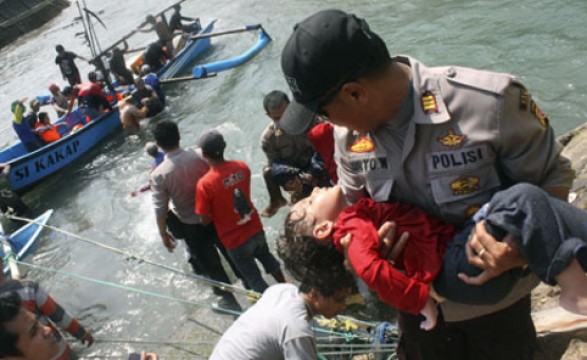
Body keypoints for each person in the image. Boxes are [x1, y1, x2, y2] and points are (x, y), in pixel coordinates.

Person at [279, 10, 575, 360]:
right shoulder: (347, 139)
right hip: (416, 311)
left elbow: (553, 178)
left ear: (355, 94)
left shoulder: (488, 103)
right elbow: (356, 213)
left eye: (324, 113)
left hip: (498, 309)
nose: (328, 124)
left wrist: (517, 247)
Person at [284, 183, 587, 331]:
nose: (314, 189)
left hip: (459, 258)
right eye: (311, 201)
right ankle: (575, 290)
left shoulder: (354, 221)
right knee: (524, 197)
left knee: (545, 206)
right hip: (455, 268)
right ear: (324, 229)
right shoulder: (351, 229)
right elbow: (371, 272)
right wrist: (419, 299)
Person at [150, 121, 244, 311]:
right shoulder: (201, 155)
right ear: (179, 136)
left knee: (212, 266)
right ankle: (252, 286)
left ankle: (230, 302)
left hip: (191, 225)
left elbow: (160, 208)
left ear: (158, 144)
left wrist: (163, 234)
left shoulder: (159, 174)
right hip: (216, 217)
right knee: (233, 253)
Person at [195, 130, 287, 294]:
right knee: (267, 258)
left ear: (203, 154)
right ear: (224, 146)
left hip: (234, 240)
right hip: (255, 228)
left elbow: (204, 219)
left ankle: (269, 305)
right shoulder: (241, 167)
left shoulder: (205, 184)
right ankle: (287, 287)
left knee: (254, 278)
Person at [210, 280, 353, 360]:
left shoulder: (282, 289)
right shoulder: (296, 330)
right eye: (339, 300)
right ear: (314, 293)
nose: (343, 306)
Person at [0, 258, 94, 360]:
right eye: (34, 330)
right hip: (59, 352)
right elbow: (60, 316)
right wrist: (81, 333)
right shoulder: (28, 289)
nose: (47, 330)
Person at [259, 90, 326, 218]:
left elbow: (326, 147)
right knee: (268, 171)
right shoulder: (268, 139)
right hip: (296, 178)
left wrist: (313, 173)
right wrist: (288, 185)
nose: (283, 121)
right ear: (268, 115)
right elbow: (276, 167)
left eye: (286, 115)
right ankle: (278, 201)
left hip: (320, 168)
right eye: (277, 118)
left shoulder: (311, 120)